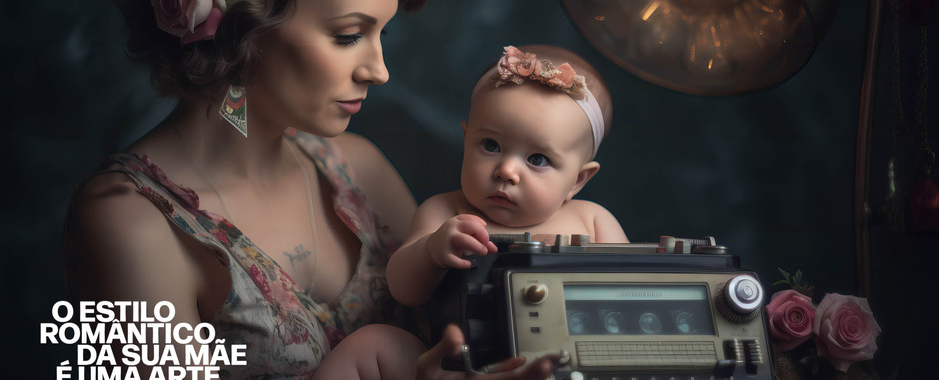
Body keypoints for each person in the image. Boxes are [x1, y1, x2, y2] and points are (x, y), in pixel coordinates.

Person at [63, 0, 556, 379]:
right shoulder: (128, 220)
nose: (378, 70)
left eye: (381, 33)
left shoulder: (358, 167)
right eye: (348, 36)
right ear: (242, 29)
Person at [388, 45, 630, 307]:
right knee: (375, 332)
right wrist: (431, 251)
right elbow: (404, 293)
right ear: (467, 140)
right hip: (457, 334)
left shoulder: (593, 222)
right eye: (491, 145)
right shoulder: (445, 212)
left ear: (578, 180)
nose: (506, 171)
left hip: (568, 334)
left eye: (537, 160)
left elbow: (636, 293)